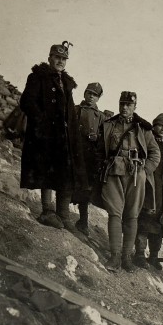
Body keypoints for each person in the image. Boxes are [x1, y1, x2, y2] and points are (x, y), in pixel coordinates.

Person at [20, 41, 88, 230]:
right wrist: (42, 122)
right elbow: (26, 102)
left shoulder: (65, 82)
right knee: (46, 171)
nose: (60, 61)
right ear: (50, 57)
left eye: (63, 59)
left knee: (65, 172)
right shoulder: (37, 77)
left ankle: (63, 215)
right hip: (46, 135)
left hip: (64, 137)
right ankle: (47, 211)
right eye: (57, 57)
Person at [96, 91, 160, 272]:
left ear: (134, 107)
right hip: (114, 172)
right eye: (122, 104)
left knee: (132, 215)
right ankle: (115, 256)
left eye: (129, 105)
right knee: (115, 213)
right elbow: (100, 150)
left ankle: (126, 258)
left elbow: (155, 153)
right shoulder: (109, 125)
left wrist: (144, 171)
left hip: (135, 175)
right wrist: (103, 166)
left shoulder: (143, 129)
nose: (124, 107)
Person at [134, 113, 163, 270]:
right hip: (148, 187)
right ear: (154, 125)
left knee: (159, 224)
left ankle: (153, 256)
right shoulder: (147, 139)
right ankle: (139, 254)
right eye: (160, 125)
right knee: (144, 221)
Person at [73, 82, 106, 235]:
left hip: (90, 158)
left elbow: (104, 137)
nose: (91, 97)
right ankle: (63, 215)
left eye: (95, 95)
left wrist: (97, 137)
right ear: (84, 94)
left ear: (98, 98)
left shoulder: (101, 117)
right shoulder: (76, 110)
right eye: (89, 93)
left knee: (85, 190)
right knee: (70, 184)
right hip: (75, 153)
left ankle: (83, 221)